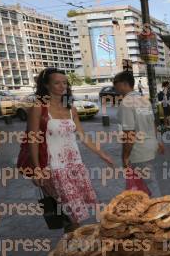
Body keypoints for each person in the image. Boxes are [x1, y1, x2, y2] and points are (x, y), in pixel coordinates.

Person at [28, 68, 113, 232]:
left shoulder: (70, 108)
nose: (62, 86)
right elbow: (32, 140)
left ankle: (71, 248)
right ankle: (73, 248)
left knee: (73, 215)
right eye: (57, 83)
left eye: (65, 83)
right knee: (72, 214)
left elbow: (82, 135)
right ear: (46, 85)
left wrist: (103, 154)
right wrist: (36, 169)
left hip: (75, 166)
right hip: (54, 168)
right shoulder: (38, 108)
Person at [114, 71, 164, 196]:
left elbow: (129, 133)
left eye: (115, 83)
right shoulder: (144, 100)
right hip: (150, 146)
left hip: (139, 150)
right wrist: (158, 141)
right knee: (145, 182)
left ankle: (160, 210)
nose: (114, 86)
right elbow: (153, 123)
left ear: (124, 84)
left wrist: (125, 156)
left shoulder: (126, 103)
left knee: (149, 183)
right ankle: (150, 208)